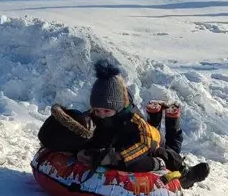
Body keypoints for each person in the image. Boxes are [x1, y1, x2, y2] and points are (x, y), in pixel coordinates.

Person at [42, 61, 209, 188]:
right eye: (97, 110)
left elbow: (142, 145)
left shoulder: (134, 122)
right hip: (121, 143)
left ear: (118, 107)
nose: (101, 114)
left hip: (150, 143)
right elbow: (83, 127)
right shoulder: (96, 115)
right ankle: (156, 116)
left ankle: (186, 174)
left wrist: (112, 157)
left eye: (106, 111)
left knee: (167, 153)